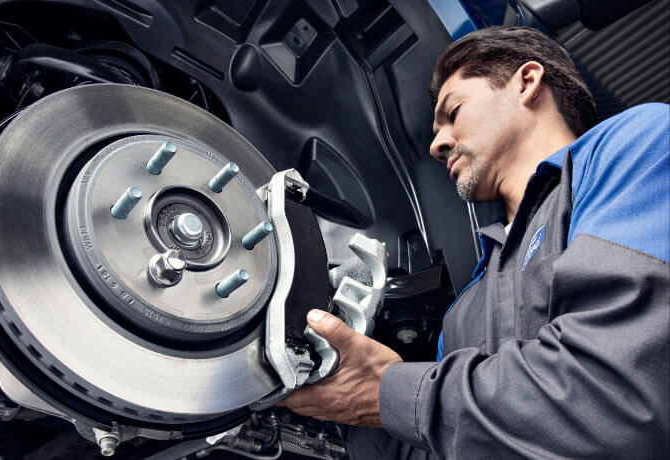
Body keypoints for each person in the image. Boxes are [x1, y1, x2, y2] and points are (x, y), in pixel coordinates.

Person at [281, 26, 669, 458]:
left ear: (527, 81)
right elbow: (447, 443)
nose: (437, 144)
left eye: (453, 111)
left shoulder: (638, 144)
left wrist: (386, 392)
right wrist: (333, 405)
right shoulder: (464, 310)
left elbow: (612, 400)